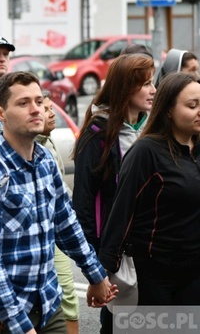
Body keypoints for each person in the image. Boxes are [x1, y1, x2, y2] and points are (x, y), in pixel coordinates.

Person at [0, 72, 116, 333]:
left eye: (38, 101)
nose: (36, 109)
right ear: (0, 113)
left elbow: (66, 225)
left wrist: (96, 274)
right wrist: (19, 324)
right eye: (23, 103)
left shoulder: (44, 159)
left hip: (47, 301)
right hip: (5, 312)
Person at [100, 72, 200, 308]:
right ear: (167, 109)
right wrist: (102, 272)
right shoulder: (146, 151)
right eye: (192, 105)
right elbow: (122, 212)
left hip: (195, 272)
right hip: (153, 275)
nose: (199, 111)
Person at [72, 53, 155, 333]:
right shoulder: (97, 133)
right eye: (145, 84)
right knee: (120, 324)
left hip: (154, 251)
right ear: (124, 88)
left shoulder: (153, 130)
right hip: (116, 254)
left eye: (153, 83)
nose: (153, 90)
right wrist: (96, 266)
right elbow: (83, 204)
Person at [34, 95, 79, 334]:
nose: (52, 114)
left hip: (57, 229)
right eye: (47, 109)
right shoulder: (33, 147)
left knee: (67, 295)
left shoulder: (48, 142)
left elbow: (62, 193)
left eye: (52, 109)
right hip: (42, 233)